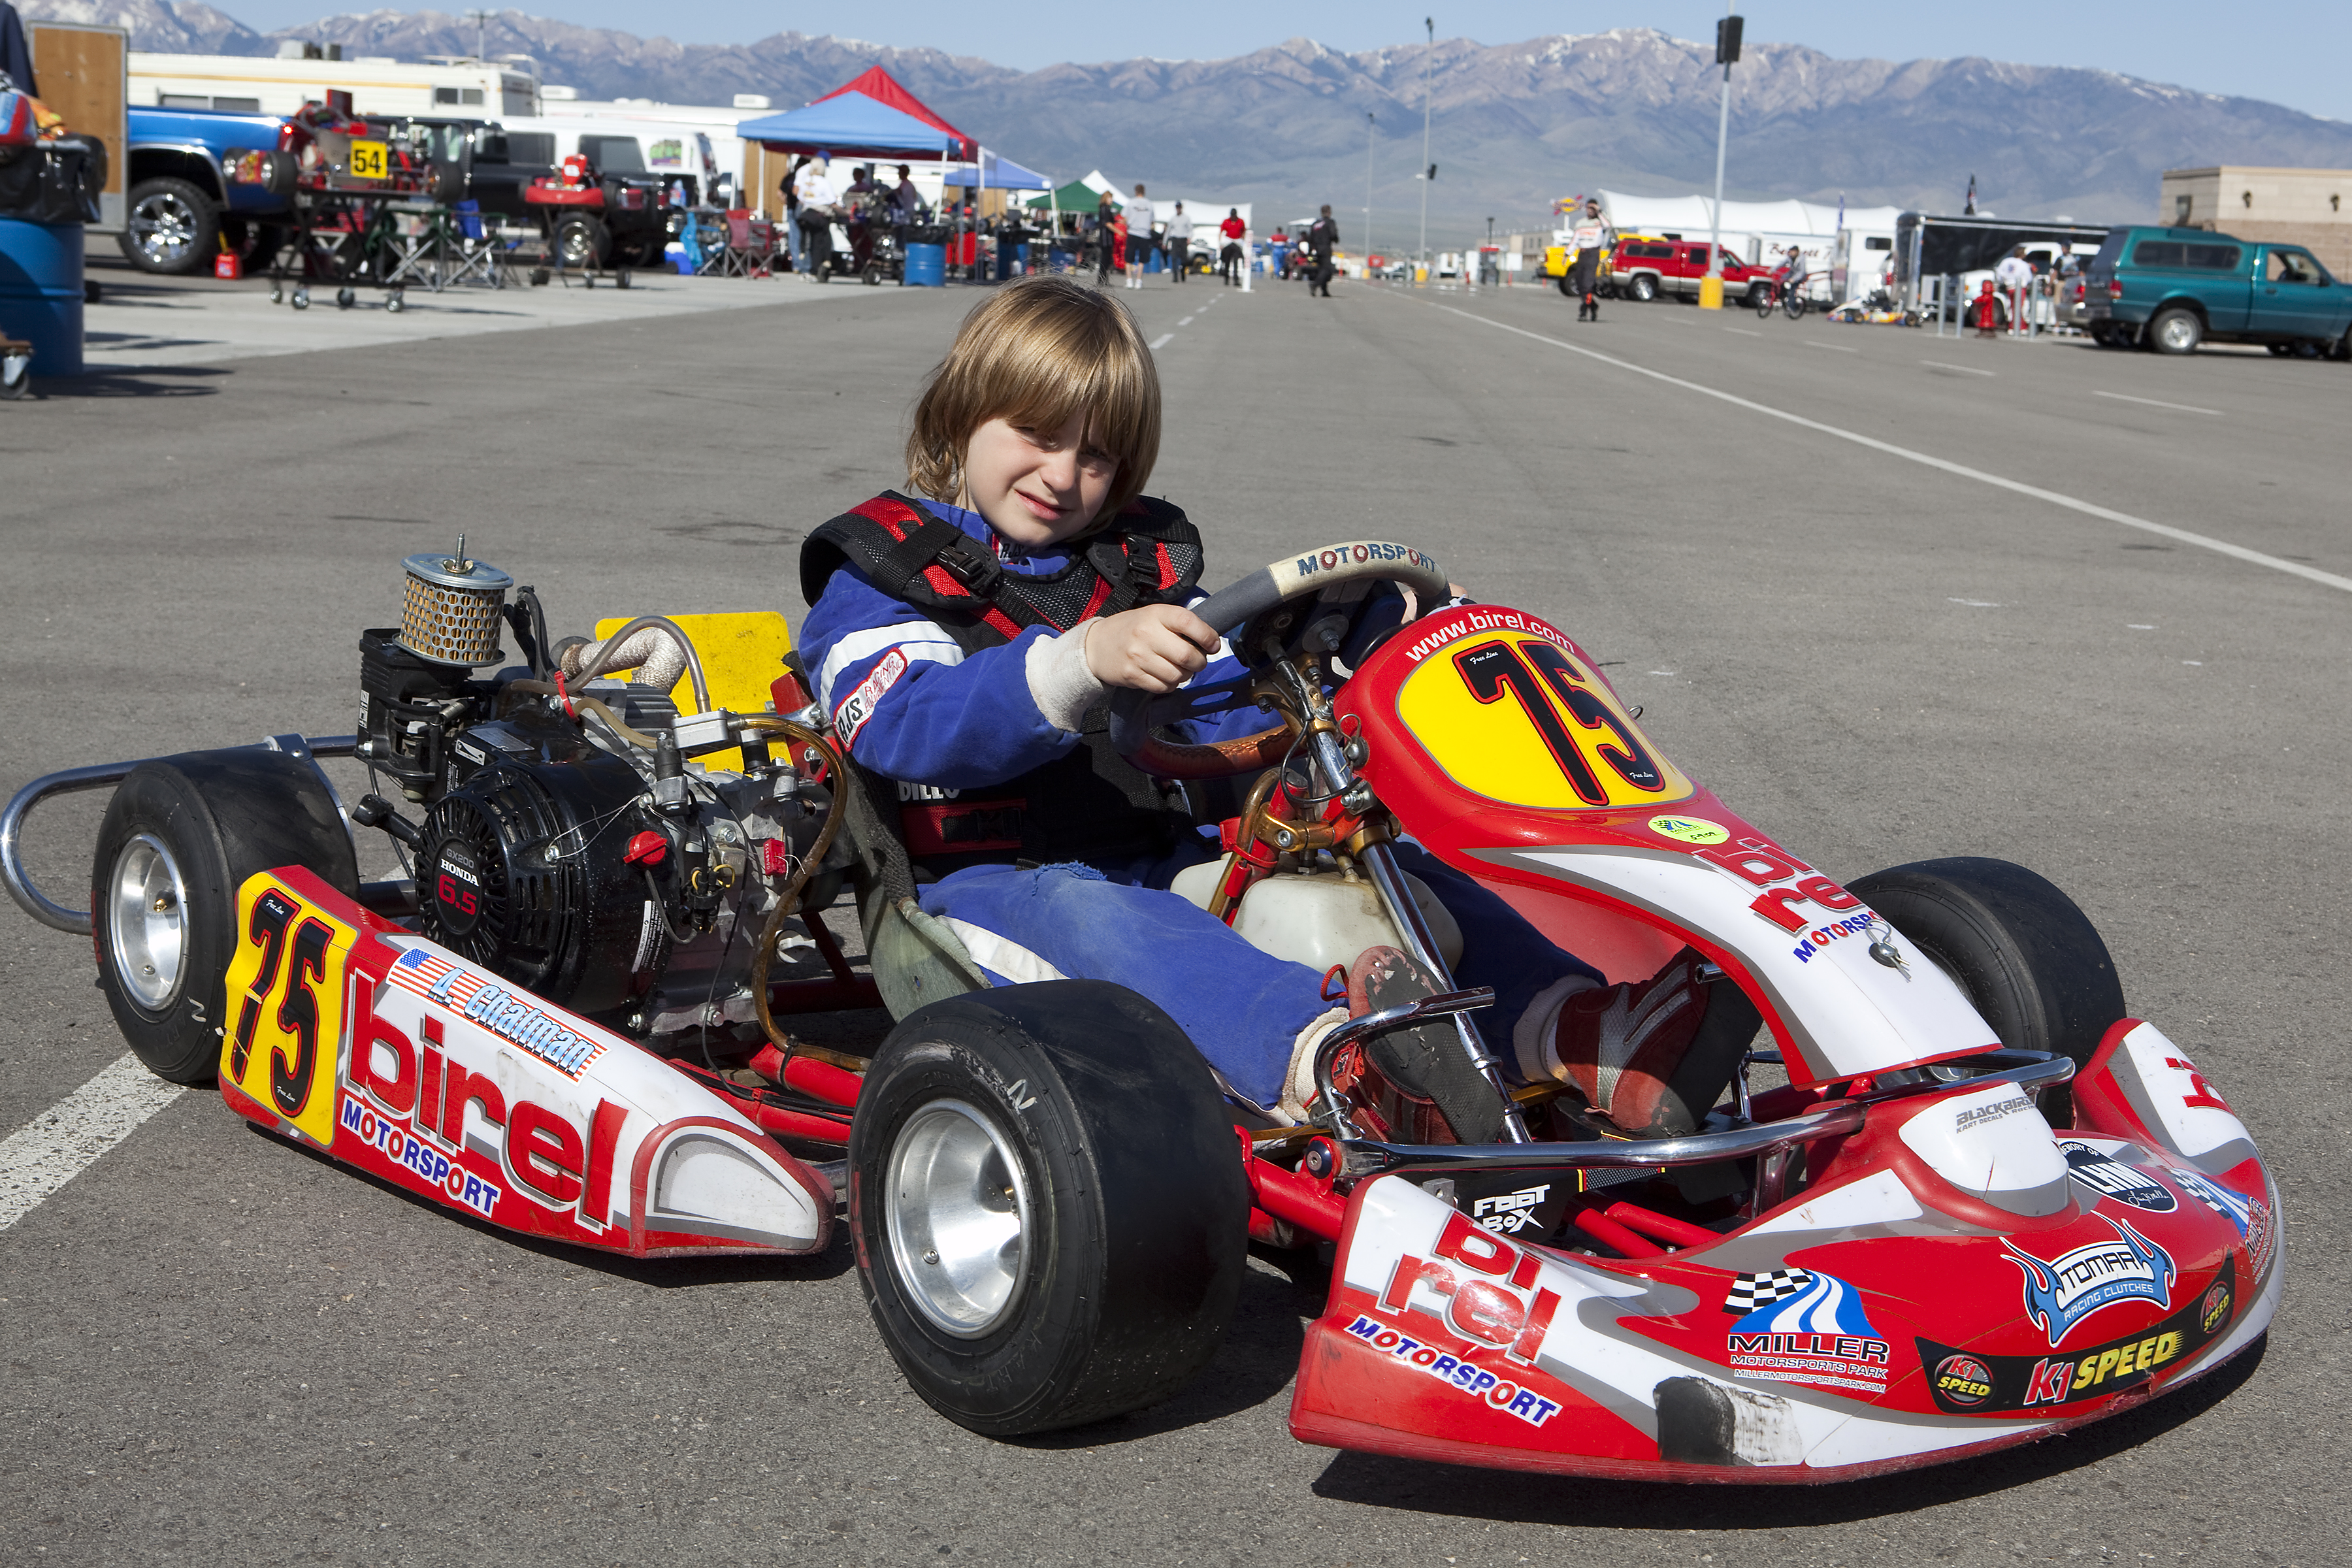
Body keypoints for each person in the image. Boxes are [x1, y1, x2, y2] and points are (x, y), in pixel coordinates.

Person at [794, 276, 1738, 1143]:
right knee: (1114, 922)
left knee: (1380, 865)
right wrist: (1079, 661)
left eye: (1096, 457)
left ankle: (1573, 1028)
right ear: (962, 415)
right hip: (983, 884)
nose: (1062, 475)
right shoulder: (886, 574)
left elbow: (1205, 707)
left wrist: (1328, 655)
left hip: (1158, 848)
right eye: (1037, 437)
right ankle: (1339, 1064)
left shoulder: (1128, 565)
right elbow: (901, 722)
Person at [793, 154, 840, 280]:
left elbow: (800, 197)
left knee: (804, 242)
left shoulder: (806, 181)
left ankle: (804, 268)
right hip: (818, 216)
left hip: (805, 214)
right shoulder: (824, 182)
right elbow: (832, 201)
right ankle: (817, 268)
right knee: (819, 241)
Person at [1567, 199, 1609, 321]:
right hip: (1583, 254)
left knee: (1588, 286)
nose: (1590, 211)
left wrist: (1599, 211)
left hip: (1593, 254)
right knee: (1580, 285)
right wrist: (1567, 254)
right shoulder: (1581, 223)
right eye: (1589, 208)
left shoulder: (1600, 223)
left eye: (1593, 208)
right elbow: (1575, 240)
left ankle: (1584, 310)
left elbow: (1608, 225)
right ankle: (1593, 305)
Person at [1995, 246, 2034, 337]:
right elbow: (2029, 278)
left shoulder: (2006, 261)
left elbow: (1999, 272)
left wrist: (2004, 280)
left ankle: (2015, 326)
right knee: (2019, 307)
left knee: (2013, 306)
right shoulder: (2024, 265)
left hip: (2009, 286)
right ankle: (2017, 327)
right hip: (2019, 287)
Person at [1305, 204, 1339, 297]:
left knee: (1322, 269)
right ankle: (1315, 285)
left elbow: (1310, 238)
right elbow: (1333, 234)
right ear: (1329, 212)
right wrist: (1336, 239)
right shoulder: (1329, 222)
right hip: (1325, 248)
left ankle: (1324, 291)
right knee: (1328, 269)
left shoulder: (1315, 224)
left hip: (1317, 249)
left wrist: (1310, 252)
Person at [1126, 183, 1152, 288]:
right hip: (1144, 234)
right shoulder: (1149, 204)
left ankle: (1129, 280)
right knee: (1142, 259)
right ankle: (1138, 281)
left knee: (1128, 259)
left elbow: (1125, 217)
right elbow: (1152, 220)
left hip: (1132, 232)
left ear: (1136, 192)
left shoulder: (1131, 203)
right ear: (1144, 192)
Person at [1164, 201, 1193, 283]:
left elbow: (1190, 229)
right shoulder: (1173, 218)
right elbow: (1168, 231)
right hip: (1175, 239)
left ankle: (1183, 273)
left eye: (1179, 207)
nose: (1178, 209)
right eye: (1177, 207)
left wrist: (1189, 238)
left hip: (1183, 239)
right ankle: (1175, 277)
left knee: (1184, 259)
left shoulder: (1186, 218)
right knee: (1174, 258)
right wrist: (1165, 242)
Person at [1218, 208, 1246, 286]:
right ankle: (1226, 278)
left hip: (1237, 242)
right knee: (1227, 261)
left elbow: (1244, 231)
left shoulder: (1241, 221)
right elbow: (1221, 232)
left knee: (1236, 262)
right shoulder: (1226, 221)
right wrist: (1221, 243)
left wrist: (1243, 241)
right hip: (1228, 242)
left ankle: (1236, 279)